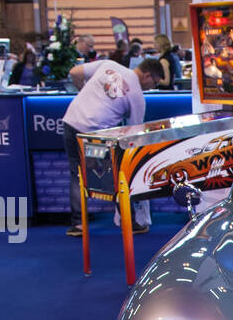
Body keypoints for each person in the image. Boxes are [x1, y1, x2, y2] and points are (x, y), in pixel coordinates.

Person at [60, 57, 164, 237]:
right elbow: (135, 132)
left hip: (71, 121)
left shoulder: (108, 64)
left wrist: (84, 92)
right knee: (116, 174)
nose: (151, 87)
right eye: (154, 82)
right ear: (147, 75)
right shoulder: (137, 96)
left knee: (77, 174)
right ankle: (129, 222)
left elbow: (74, 72)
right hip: (97, 134)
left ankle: (78, 225)